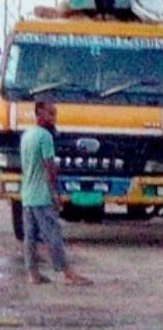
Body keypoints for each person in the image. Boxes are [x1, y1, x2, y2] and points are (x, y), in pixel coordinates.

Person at [20, 101, 92, 286]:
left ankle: (32, 274)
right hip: (42, 195)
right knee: (52, 235)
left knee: (30, 237)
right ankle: (67, 273)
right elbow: (49, 167)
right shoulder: (45, 137)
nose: (54, 118)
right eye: (51, 114)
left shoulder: (26, 136)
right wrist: (55, 194)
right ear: (40, 114)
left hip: (27, 194)